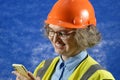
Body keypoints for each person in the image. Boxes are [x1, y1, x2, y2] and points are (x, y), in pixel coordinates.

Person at [12, 0, 115, 80]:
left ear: (84, 34)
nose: (55, 39)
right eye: (51, 31)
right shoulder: (43, 68)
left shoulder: (100, 77)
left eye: (63, 33)